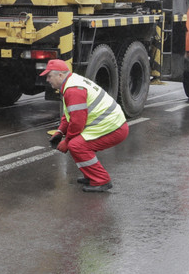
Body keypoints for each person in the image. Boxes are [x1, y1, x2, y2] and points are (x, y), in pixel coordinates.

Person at [43, 58, 129, 192]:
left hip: (114, 127)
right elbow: (69, 115)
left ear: (60, 75)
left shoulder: (73, 90)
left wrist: (67, 141)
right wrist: (60, 132)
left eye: (49, 76)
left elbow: (77, 122)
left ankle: (101, 180)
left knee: (76, 145)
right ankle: (91, 176)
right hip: (111, 125)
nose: (48, 80)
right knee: (76, 144)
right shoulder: (71, 82)